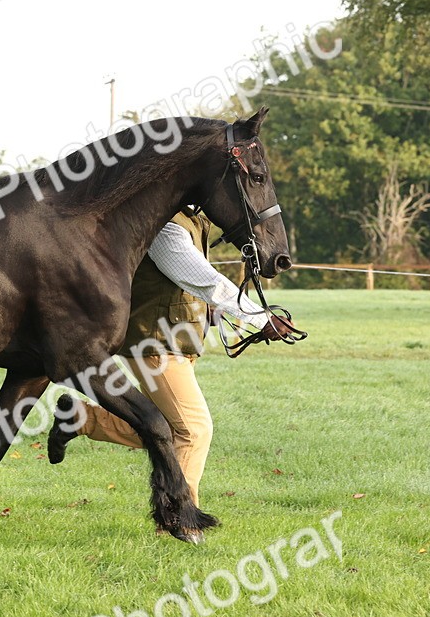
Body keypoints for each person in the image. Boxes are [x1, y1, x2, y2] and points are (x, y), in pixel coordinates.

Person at [47, 207, 296, 508]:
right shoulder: (165, 225)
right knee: (194, 429)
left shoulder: (194, 221)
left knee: (166, 426)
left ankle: (80, 419)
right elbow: (202, 279)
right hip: (156, 344)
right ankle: (181, 515)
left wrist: (210, 314)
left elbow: (183, 289)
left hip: (174, 342)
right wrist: (260, 318)